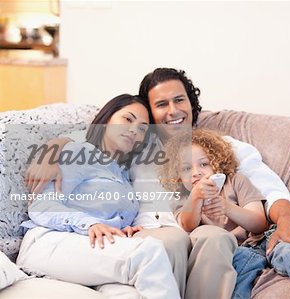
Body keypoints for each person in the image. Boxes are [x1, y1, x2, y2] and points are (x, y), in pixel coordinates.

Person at [25, 68, 290, 299]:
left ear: (191, 103)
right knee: (171, 239)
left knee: (215, 238)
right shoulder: (136, 145)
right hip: (151, 234)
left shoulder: (223, 147)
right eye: (161, 104)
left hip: (202, 231)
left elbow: (272, 192)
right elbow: (93, 143)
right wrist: (54, 147)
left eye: (179, 100)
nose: (173, 110)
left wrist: (287, 223)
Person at [17, 94, 180, 299]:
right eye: (127, 119)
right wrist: (91, 224)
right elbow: (41, 206)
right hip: (49, 243)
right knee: (149, 252)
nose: (133, 130)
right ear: (107, 119)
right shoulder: (79, 153)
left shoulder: (124, 175)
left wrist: (123, 229)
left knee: (132, 295)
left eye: (142, 129)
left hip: (93, 250)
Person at [161, 128, 290, 299]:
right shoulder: (183, 199)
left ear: (217, 163)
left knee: (286, 248)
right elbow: (187, 224)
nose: (196, 172)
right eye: (186, 169)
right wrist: (195, 198)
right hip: (238, 252)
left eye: (204, 164)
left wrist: (227, 208)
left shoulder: (236, 181)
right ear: (176, 176)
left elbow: (259, 222)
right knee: (237, 282)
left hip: (262, 239)